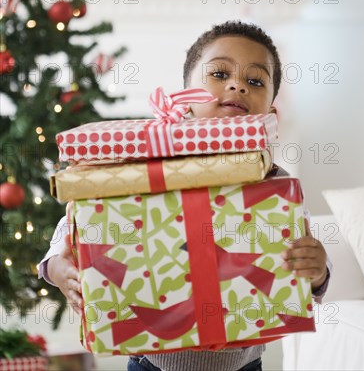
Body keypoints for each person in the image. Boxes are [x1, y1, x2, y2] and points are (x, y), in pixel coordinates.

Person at [39, 20, 330, 371]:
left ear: (270, 113)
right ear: (185, 99)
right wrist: (56, 265)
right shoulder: (149, 165)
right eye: (219, 74)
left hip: (244, 363)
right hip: (152, 363)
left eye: (255, 81)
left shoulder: (272, 182)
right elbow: (79, 216)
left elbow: (303, 248)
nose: (237, 85)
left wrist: (317, 272)